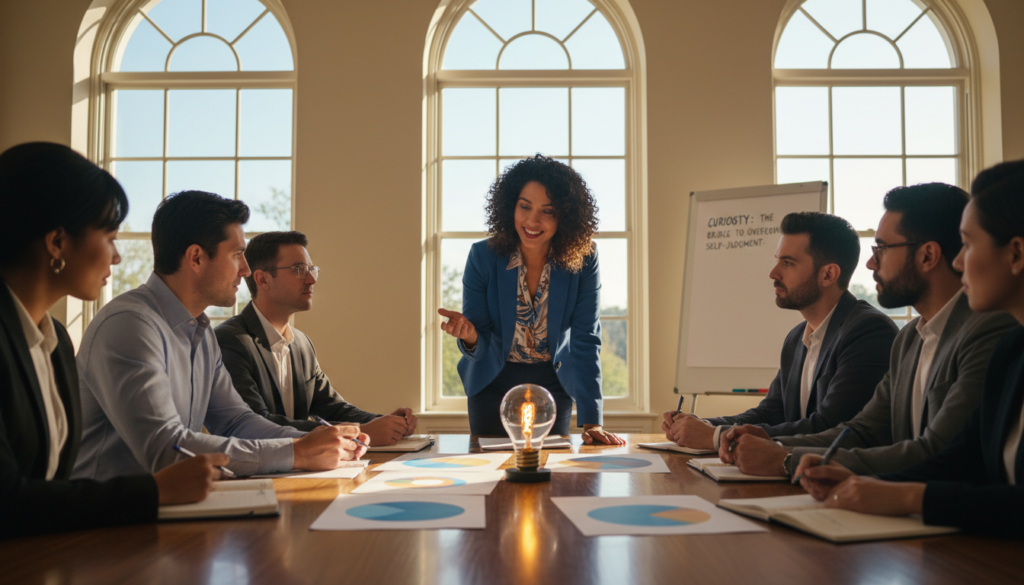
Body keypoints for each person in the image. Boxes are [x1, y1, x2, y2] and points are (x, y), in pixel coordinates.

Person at [0, 142, 226, 539]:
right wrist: (154, 491)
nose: (117, 257)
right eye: (109, 237)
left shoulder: (53, 343)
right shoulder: (124, 323)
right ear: (56, 242)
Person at [720, 183, 1016, 477]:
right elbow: (862, 431)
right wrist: (772, 444)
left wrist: (786, 459)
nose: (872, 262)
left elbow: (936, 451)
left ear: (927, 256)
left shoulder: (987, 330)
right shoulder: (909, 338)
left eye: (882, 249)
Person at [795, 160, 1024, 538]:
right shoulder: (1013, 349)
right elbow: (958, 457)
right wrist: (850, 474)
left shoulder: (994, 334)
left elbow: (940, 452)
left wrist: (907, 498)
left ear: (1015, 254)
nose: (958, 261)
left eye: (967, 244)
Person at [72, 191, 367, 481]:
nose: (246, 269)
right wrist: (296, 452)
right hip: (110, 521)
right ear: (196, 258)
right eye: (237, 254)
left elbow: (237, 421)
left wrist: (320, 440)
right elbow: (165, 448)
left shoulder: (199, 331)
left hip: (173, 509)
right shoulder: (130, 325)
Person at [662, 212, 896, 451]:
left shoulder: (868, 332)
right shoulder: (797, 338)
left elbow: (830, 427)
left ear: (828, 274)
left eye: (788, 263)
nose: (773, 273)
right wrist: (702, 425)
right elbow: (772, 412)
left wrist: (715, 436)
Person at [437, 155, 623, 444]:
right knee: (489, 478)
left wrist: (592, 422)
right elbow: (480, 342)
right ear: (510, 205)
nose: (532, 221)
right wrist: (471, 336)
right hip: (492, 384)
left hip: (553, 383)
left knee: (552, 477)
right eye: (524, 206)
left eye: (547, 211)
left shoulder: (585, 259)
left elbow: (586, 339)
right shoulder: (482, 257)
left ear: (566, 216)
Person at [216, 231, 417, 446]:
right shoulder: (230, 341)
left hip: (303, 466)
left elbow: (331, 407)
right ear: (262, 279)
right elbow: (256, 423)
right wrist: (358, 432)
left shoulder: (302, 344)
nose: (311, 279)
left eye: (311, 270)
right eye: (299, 270)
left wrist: (385, 423)